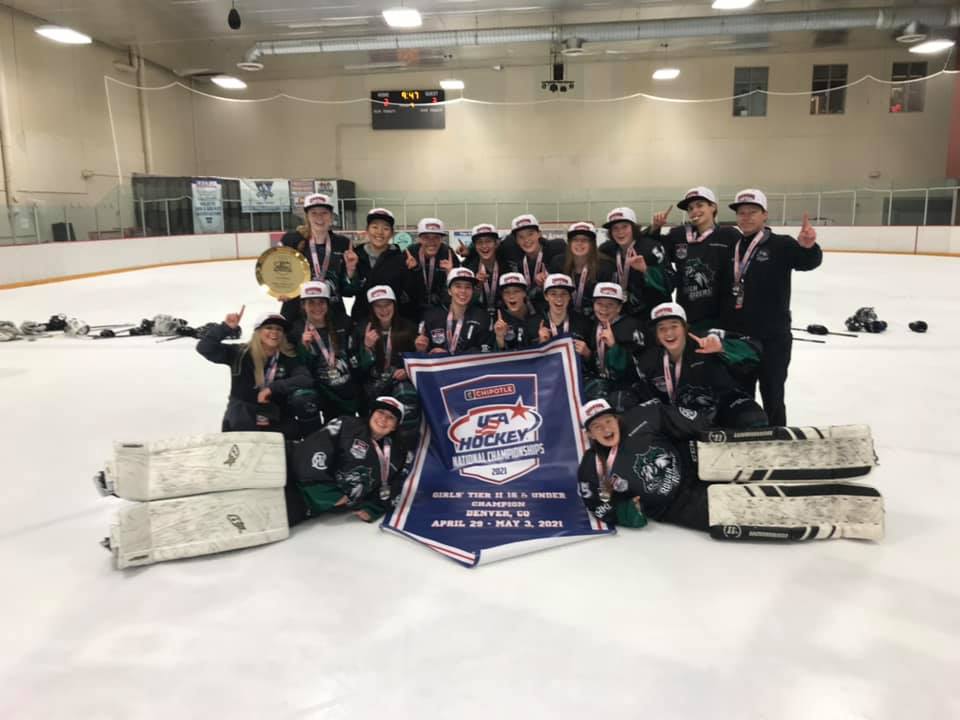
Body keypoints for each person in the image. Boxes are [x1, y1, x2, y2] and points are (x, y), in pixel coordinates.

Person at [722, 189, 822, 427]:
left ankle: (777, 436)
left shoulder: (781, 244)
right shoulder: (731, 246)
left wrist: (809, 247)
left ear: (765, 214)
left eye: (752, 212)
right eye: (741, 213)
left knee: (773, 394)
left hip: (773, 338)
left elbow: (807, 262)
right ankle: (744, 433)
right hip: (739, 337)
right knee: (741, 393)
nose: (746, 217)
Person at [637, 302, 767, 429]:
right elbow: (645, 397)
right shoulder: (650, 360)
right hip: (688, 416)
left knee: (753, 417)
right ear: (656, 334)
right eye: (662, 329)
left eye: (674, 326)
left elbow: (755, 349)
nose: (669, 333)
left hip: (725, 404)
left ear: (685, 327)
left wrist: (722, 347)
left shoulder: (707, 338)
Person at [286, 396, 413, 525]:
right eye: (380, 412)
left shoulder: (397, 456)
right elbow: (312, 449)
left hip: (310, 506)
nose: (383, 419)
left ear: (395, 427)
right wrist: (327, 494)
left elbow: (393, 487)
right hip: (292, 477)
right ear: (371, 413)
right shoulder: (347, 425)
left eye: (391, 417)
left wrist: (373, 508)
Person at [197, 309, 311, 437]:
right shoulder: (240, 353)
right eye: (268, 327)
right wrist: (225, 328)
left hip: (276, 416)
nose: (274, 332)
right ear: (258, 331)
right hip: (242, 418)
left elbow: (305, 378)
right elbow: (204, 347)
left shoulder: (289, 357)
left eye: (279, 329)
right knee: (241, 415)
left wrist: (272, 388)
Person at [661, 187, 738, 332]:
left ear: (713, 207)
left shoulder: (729, 235)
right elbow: (655, 253)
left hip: (719, 318)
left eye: (699, 205)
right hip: (687, 317)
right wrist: (654, 228)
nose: (694, 211)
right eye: (690, 208)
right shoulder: (678, 235)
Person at [291, 281, 357, 427]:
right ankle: (312, 435)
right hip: (316, 387)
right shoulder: (296, 329)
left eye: (321, 302)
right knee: (304, 398)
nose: (317, 307)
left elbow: (354, 353)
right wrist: (304, 348)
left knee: (343, 428)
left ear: (328, 304)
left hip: (342, 386)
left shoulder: (342, 322)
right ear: (303, 305)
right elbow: (297, 367)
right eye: (311, 303)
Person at [278, 193, 351, 324]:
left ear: (331, 216)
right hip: (296, 311)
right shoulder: (291, 240)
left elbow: (347, 288)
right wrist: (280, 288)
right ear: (307, 216)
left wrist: (351, 272)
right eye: (314, 213)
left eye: (324, 213)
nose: (319, 217)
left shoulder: (342, 243)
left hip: (332, 311)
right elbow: (278, 270)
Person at [344, 208, 420, 324]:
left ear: (392, 233)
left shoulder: (401, 259)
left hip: (393, 323)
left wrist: (414, 271)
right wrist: (350, 270)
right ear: (367, 230)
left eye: (385, 228)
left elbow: (413, 295)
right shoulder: (355, 257)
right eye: (375, 227)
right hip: (363, 321)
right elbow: (347, 293)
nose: (379, 232)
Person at [598, 207, 673, 320]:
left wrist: (646, 270)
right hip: (624, 315)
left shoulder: (651, 248)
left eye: (624, 226)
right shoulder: (607, 250)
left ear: (633, 228)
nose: (620, 232)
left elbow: (670, 282)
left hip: (654, 315)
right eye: (615, 228)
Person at [583, 282, 644, 409]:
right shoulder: (596, 326)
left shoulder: (632, 326)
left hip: (627, 387)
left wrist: (614, 346)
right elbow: (598, 361)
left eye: (610, 305)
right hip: (603, 382)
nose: (604, 309)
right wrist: (588, 354)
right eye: (599, 304)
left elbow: (639, 368)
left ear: (619, 307)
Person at [416, 268, 494, 354]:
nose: (463, 291)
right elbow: (422, 352)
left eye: (468, 287)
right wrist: (422, 349)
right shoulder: (430, 316)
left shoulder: (482, 317)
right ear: (449, 290)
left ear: (472, 291)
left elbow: (485, 351)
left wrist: (450, 355)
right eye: (458, 286)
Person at [548, 221, 616, 319]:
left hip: (596, 318)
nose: (579, 243)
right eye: (575, 240)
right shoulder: (558, 263)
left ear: (592, 244)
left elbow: (609, 300)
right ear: (569, 243)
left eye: (584, 240)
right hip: (565, 317)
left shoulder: (606, 266)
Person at [500, 214, 566, 313]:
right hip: (527, 312)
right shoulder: (513, 255)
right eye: (521, 237)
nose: (526, 240)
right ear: (516, 241)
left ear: (539, 234)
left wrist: (550, 277)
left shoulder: (556, 249)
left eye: (530, 234)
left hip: (554, 311)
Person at [403, 217, 460, 315]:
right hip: (413, 309)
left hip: (440, 309)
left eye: (436, 237)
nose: (432, 242)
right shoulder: (410, 253)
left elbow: (457, 289)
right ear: (419, 239)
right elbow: (404, 289)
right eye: (426, 237)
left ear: (441, 239)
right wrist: (413, 271)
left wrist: (450, 274)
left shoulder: (447, 253)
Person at [534, 273, 592, 361]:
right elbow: (524, 363)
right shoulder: (533, 323)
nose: (559, 298)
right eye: (553, 294)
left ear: (569, 297)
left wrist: (588, 354)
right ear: (546, 296)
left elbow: (597, 363)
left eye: (564, 294)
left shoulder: (584, 323)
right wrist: (541, 345)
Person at [462, 223, 505, 327]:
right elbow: (464, 302)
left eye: (488, 241)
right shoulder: (467, 270)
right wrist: (477, 287)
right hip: (477, 319)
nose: (484, 246)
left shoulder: (507, 265)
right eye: (479, 242)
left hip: (504, 317)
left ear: (496, 243)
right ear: (475, 246)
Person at [493, 272, 537, 350]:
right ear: (502, 296)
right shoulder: (498, 321)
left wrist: (544, 341)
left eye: (516, 291)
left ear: (524, 293)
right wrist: (499, 338)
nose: (511, 296)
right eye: (506, 292)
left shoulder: (539, 312)